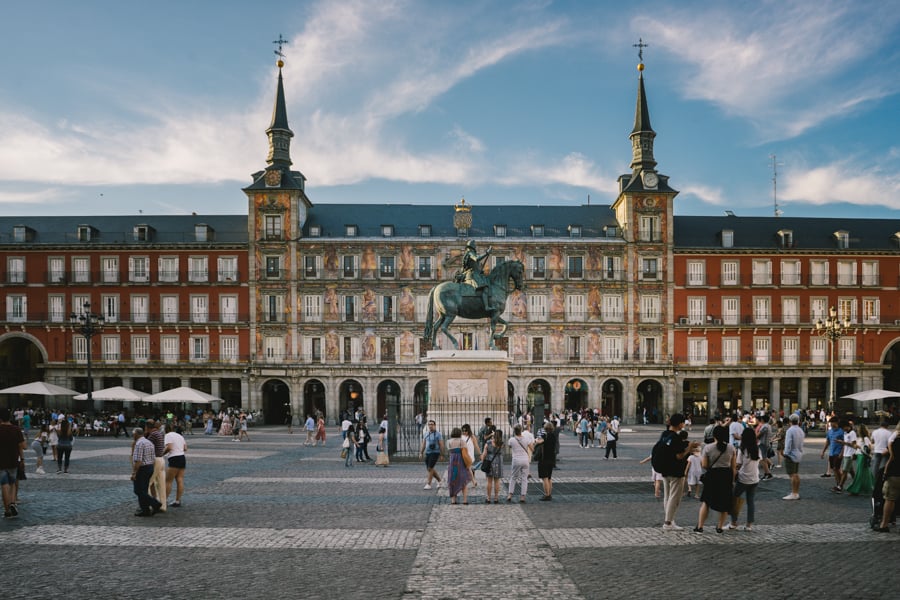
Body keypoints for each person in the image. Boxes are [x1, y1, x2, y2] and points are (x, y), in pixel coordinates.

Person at [659, 414, 700, 531]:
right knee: (674, 497)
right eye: (683, 422)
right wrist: (690, 447)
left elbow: (671, 449)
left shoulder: (664, 434)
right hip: (676, 471)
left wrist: (688, 446)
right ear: (680, 424)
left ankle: (670, 520)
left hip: (665, 469)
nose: (684, 424)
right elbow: (679, 455)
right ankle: (668, 523)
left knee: (667, 496)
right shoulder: (676, 437)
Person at [693, 425, 736, 534]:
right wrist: (732, 480)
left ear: (714, 435)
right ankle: (720, 527)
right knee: (725, 503)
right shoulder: (731, 448)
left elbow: (704, 465)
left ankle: (700, 526)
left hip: (713, 475)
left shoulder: (708, 447)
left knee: (706, 501)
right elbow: (733, 467)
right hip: (726, 475)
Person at [728, 427, 761, 531]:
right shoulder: (757, 449)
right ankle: (749, 525)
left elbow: (738, 465)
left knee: (734, 498)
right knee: (750, 502)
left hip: (743, 479)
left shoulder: (742, 449)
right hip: (755, 478)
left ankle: (733, 522)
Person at [130, 428, 162, 517]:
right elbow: (153, 457)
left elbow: (138, 460)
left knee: (138, 490)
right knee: (143, 490)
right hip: (149, 467)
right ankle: (145, 510)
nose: (133, 436)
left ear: (136, 434)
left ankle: (155, 503)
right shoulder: (149, 442)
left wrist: (134, 472)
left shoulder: (139, 443)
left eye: (133, 434)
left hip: (142, 468)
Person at [0, 408, 26, 519]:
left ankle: (7, 511)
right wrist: (22, 459)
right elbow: (23, 446)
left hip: (1, 461)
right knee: (12, 483)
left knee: (4, 485)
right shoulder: (16, 429)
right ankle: (12, 503)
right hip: (13, 460)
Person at [875, 427, 900, 532]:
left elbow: (889, 456)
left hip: (895, 472)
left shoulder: (897, 442)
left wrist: (885, 471)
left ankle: (884, 524)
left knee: (889, 499)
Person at [460, 239, 492, 311]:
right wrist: (486, 253)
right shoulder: (470, 253)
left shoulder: (467, 254)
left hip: (473, 273)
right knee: (485, 288)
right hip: (473, 275)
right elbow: (476, 259)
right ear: (473, 246)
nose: (475, 247)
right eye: (475, 245)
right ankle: (486, 306)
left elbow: (473, 266)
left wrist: (480, 271)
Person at [506, 424, 534, 503]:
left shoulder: (511, 440)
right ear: (521, 430)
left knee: (513, 477)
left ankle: (510, 495)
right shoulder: (526, 439)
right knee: (524, 478)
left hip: (516, 460)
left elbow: (510, 446)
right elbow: (532, 449)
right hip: (525, 460)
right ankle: (522, 497)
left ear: (514, 431)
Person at [846, 423, 874, 496]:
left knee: (860, 473)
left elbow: (868, 448)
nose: (857, 431)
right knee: (865, 472)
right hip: (859, 455)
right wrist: (855, 452)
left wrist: (858, 447)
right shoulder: (860, 438)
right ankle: (870, 486)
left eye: (859, 430)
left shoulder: (865, 438)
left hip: (862, 456)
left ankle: (855, 489)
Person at [782, 413, 805, 500]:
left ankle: (794, 493)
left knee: (792, 474)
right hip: (798, 453)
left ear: (790, 421)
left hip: (791, 454)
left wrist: (785, 453)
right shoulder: (800, 430)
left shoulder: (790, 430)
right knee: (796, 474)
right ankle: (796, 492)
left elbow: (788, 443)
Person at [145, 420, 167, 512]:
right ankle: (163, 505)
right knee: (161, 484)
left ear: (147, 427)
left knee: (148, 483)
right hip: (161, 459)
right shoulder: (159, 433)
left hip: (155, 460)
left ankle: (150, 505)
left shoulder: (153, 435)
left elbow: (146, 445)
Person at [446, 427, 471, 505]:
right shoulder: (462, 442)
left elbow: (449, 451)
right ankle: (465, 500)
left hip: (452, 462)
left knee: (452, 479)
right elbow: (465, 454)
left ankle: (453, 500)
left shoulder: (448, 441)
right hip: (461, 462)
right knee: (463, 481)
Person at [164, 426, 188, 507]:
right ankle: (177, 501)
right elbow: (185, 448)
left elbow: (169, 447)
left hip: (174, 458)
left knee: (168, 481)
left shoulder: (168, 435)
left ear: (165, 430)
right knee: (180, 479)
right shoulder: (180, 436)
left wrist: (161, 454)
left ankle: (164, 501)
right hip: (182, 457)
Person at [536, 421, 558, 501]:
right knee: (549, 477)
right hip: (551, 458)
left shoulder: (544, 436)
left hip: (544, 459)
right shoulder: (553, 436)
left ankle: (546, 494)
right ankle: (550, 494)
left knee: (544, 478)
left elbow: (538, 441)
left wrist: (536, 441)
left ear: (545, 428)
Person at [419, 420, 444, 489]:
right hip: (428, 452)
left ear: (435, 425)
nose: (430, 426)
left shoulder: (438, 434)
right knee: (430, 469)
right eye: (429, 424)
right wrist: (421, 452)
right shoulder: (426, 433)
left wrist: (442, 454)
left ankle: (428, 484)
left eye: (432, 424)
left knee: (430, 468)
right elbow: (423, 444)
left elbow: (441, 444)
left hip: (435, 452)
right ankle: (440, 481)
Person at [821, 417, 844, 490]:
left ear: (837, 423)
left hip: (838, 453)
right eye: (830, 423)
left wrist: (842, 453)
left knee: (836, 468)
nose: (831, 424)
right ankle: (838, 484)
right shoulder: (829, 431)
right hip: (831, 452)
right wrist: (823, 451)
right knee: (834, 469)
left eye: (832, 422)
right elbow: (827, 442)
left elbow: (844, 443)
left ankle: (840, 484)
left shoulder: (841, 431)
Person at [481, 430, 504, 503]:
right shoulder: (501, 444)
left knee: (489, 481)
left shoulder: (488, 443)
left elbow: (484, 454)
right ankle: (496, 498)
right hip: (498, 462)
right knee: (497, 481)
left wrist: (482, 460)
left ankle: (488, 498)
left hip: (489, 462)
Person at [460, 423, 481, 488]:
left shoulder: (472, 437)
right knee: (468, 469)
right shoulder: (461, 436)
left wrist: (480, 454)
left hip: (469, 456)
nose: (464, 432)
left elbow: (476, 446)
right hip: (463, 455)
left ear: (468, 430)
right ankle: (473, 481)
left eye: (465, 431)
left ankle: (471, 481)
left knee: (467, 469)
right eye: (463, 431)